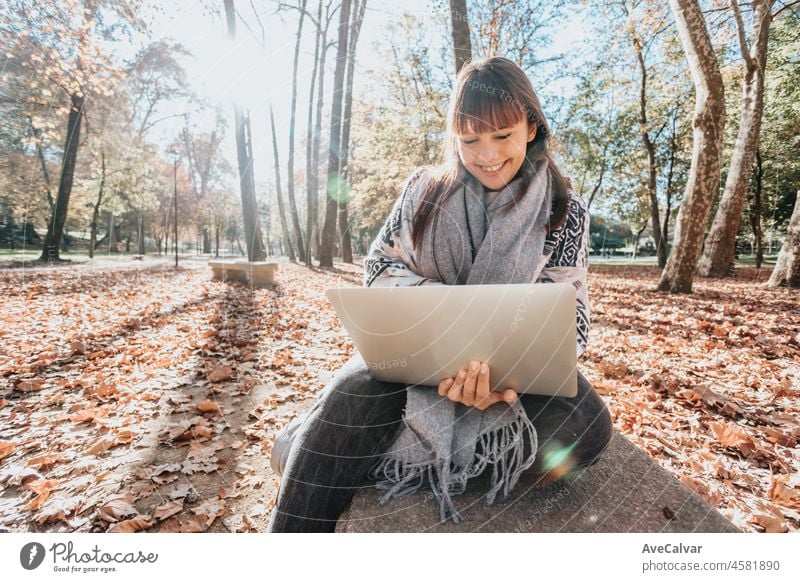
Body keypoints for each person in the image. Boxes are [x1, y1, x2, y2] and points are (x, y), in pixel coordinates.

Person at [267, 56, 613, 533]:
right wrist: (445, 314)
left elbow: (571, 320)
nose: (486, 155)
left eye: (501, 135)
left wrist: (500, 376)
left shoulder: (564, 209)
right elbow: (379, 267)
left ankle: (329, 452)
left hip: (508, 384)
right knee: (352, 390)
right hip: (414, 362)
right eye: (469, 140)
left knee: (587, 424)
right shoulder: (423, 191)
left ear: (531, 126)